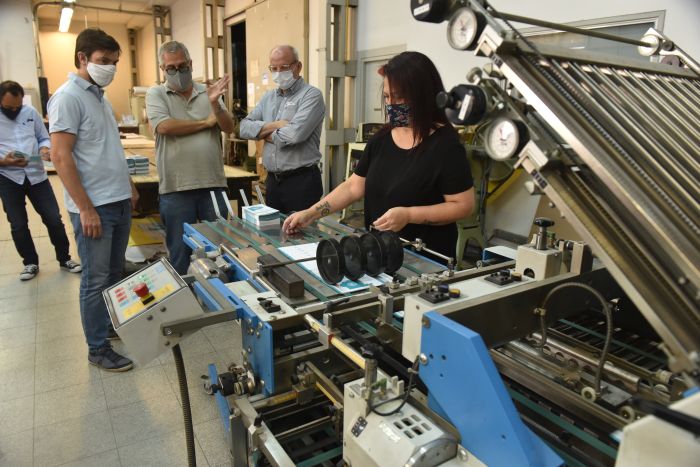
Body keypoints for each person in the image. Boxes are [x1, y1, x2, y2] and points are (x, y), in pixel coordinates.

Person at [284, 51, 474, 262]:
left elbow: (462, 205)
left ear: (424, 94)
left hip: (425, 260)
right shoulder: (381, 139)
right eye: (386, 97)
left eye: (399, 96)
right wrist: (311, 213)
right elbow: (353, 187)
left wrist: (409, 215)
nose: (391, 104)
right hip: (379, 254)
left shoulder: (445, 145)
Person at [48, 28, 139, 372]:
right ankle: (97, 348)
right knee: (96, 278)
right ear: (82, 58)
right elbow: (60, 156)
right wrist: (85, 208)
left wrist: (127, 183)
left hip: (116, 199)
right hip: (95, 206)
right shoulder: (68, 97)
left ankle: (109, 327)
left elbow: (107, 147)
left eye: (114, 62)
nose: (110, 69)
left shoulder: (99, 96)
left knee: (115, 272)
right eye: (103, 61)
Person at [146, 40, 235, 275]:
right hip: (176, 188)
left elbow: (228, 127)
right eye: (171, 68)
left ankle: (221, 303)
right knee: (179, 252)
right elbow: (164, 126)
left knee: (218, 250)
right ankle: (188, 304)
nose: (178, 72)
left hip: (213, 185)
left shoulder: (209, 93)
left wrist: (215, 105)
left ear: (191, 64)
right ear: (162, 69)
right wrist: (205, 122)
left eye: (182, 66)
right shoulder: (156, 93)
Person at [0, 81, 81, 280]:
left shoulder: (30, 112)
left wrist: (44, 149)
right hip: (8, 177)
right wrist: (4, 161)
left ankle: (65, 258)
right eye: (9, 107)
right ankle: (30, 263)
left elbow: (43, 137)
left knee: (53, 218)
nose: (14, 110)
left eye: (17, 106)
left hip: (37, 175)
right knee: (18, 223)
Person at [240, 44, 325, 214]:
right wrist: (276, 125)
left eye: (284, 67)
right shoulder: (268, 97)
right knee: (274, 235)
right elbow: (243, 128)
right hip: (272, 181)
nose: (278, 73)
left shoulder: (311, 95)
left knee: (303, 237)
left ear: (298, 66)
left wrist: (261, 133)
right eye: (274, 68)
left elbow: (294, 135)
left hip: (302, 182)